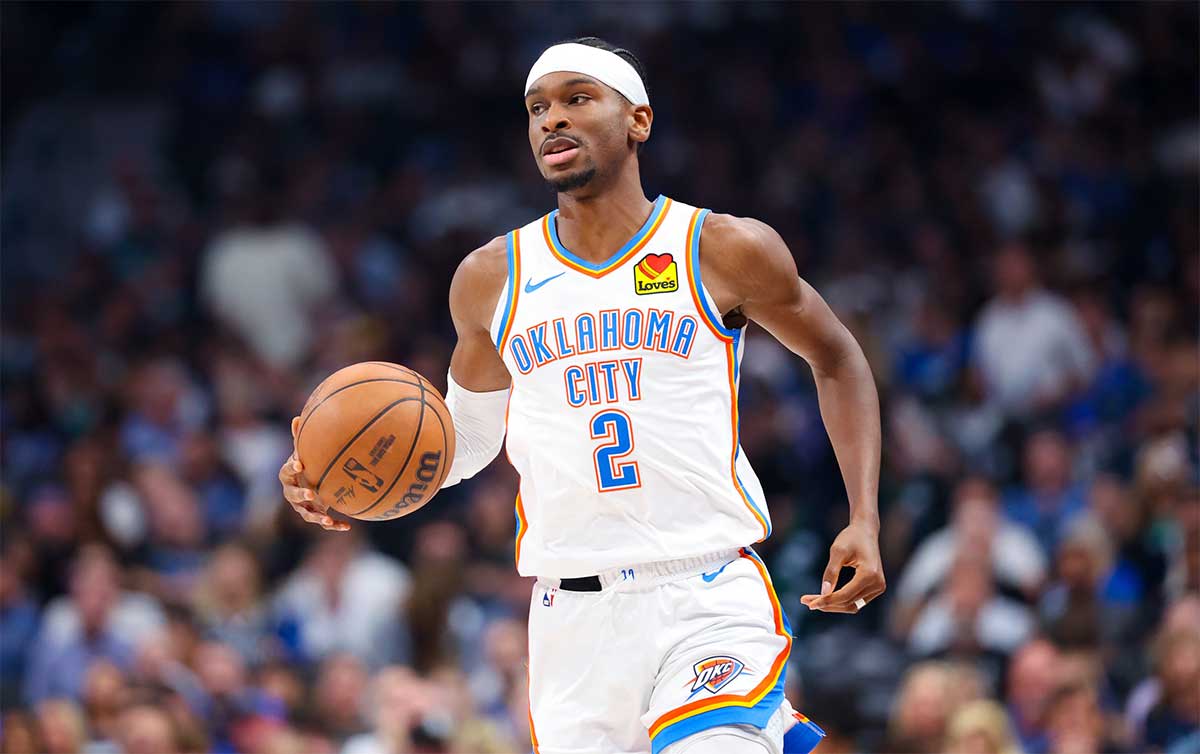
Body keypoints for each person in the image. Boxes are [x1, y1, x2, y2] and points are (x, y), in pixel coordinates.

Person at [279, 37, 884, 754]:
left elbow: (838, 356)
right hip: (571, 620)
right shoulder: (490, 277)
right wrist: (339, 479)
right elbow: (467, 441)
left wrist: (865, 516)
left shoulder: (719, 248)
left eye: (577, 99)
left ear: (639, 121)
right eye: (537, 107)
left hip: (706, 589)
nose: (551, 120)